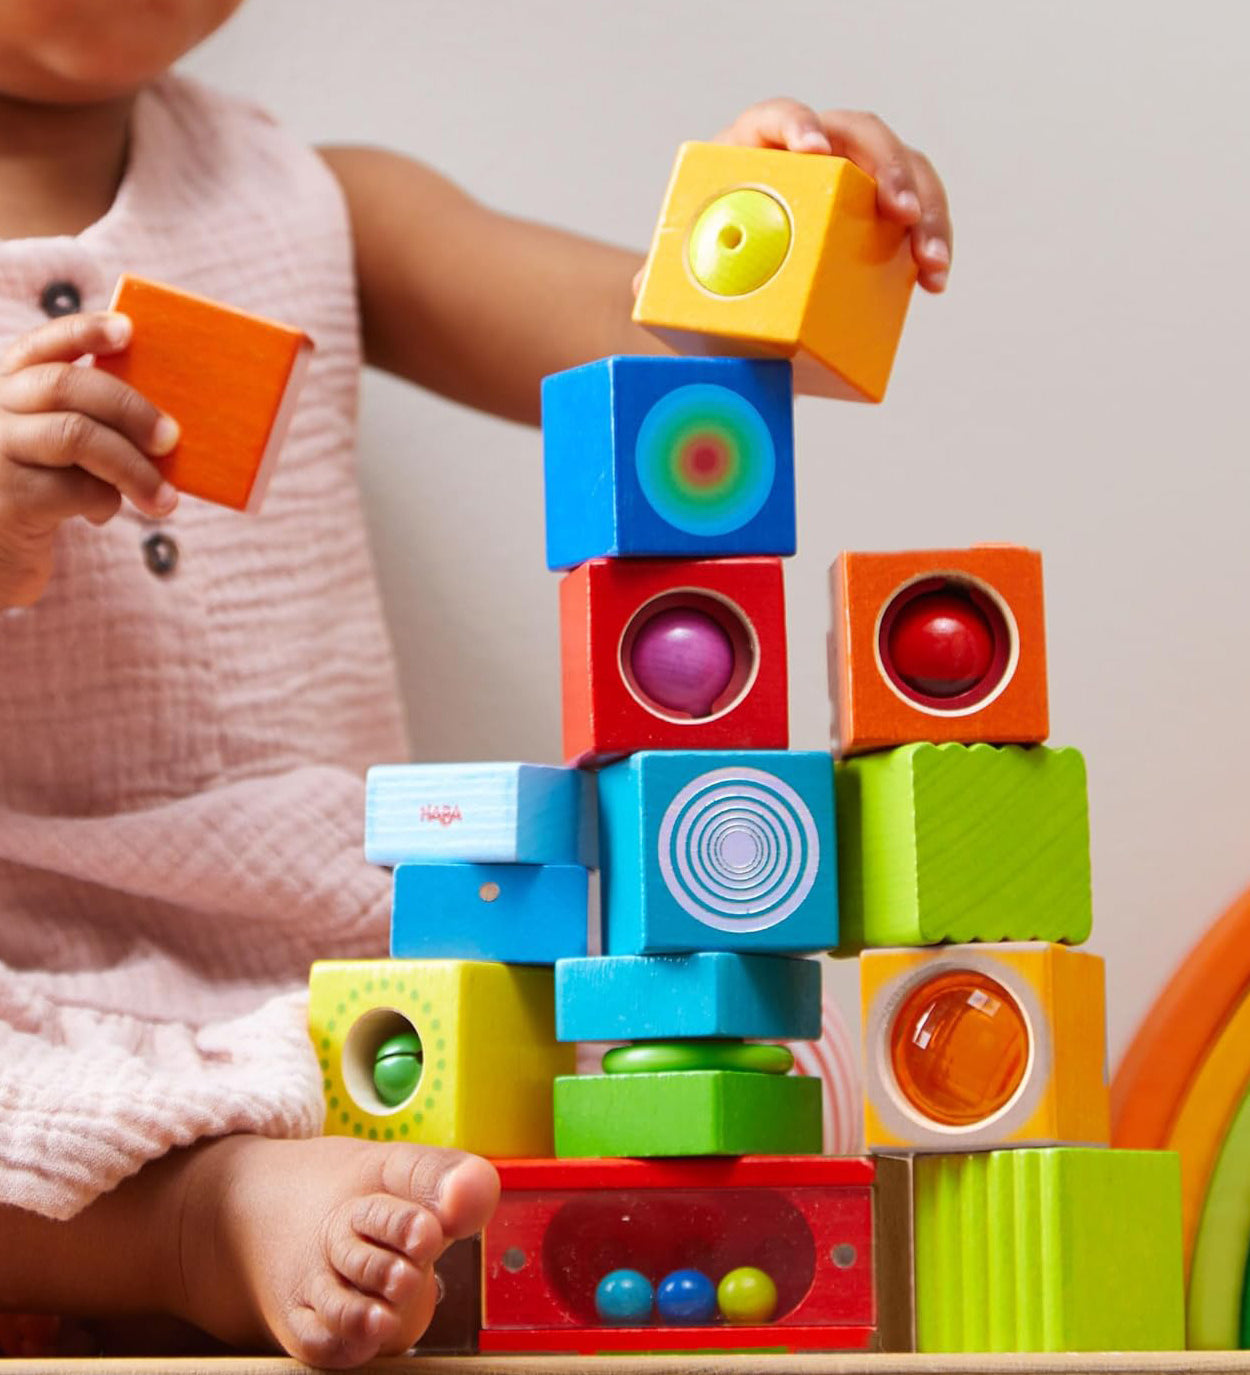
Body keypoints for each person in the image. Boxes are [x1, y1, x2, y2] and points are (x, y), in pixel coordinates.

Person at [0, 2, 952, 1365]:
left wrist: (781, 224)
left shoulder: (319, 201)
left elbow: (692, 352)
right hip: (23, 955)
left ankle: (338, 1190)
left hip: (334, 945)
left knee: (735, 1059)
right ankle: (195, 1223)